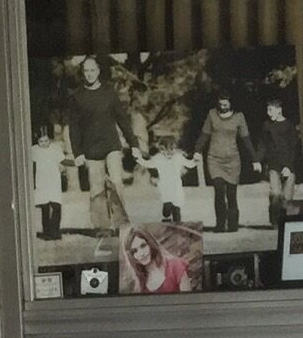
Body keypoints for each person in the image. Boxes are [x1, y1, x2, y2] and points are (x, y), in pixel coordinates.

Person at [62, 55, 136, 229]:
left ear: (98, 71)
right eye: (86, 71)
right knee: (96, 190)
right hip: (90, 149)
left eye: (92, 70)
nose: (89, 74)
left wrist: (134, 144)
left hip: (111, 145)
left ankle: (121, 224)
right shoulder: (77, 96)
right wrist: (78, 153)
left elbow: (122, 119)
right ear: (82, 72)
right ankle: (101, 228)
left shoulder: (109, 92)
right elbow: (74, 128)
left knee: (116, 183)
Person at [192, 91, 253, 233]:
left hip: (233, 160)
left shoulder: (239, 117)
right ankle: (220, 224)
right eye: (220, 104)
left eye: (225, 104)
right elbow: (204, 134)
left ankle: (232, 225)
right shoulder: (212, 114)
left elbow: (246, 140)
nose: (222, 106)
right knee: (219, 191)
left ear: (231, 103)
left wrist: (255, 159)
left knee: (231, 194)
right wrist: (197, 150)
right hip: (214, 159)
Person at [260, 97, 303, 212]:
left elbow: (294, 148)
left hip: (289, 165)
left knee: (287, 198)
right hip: (273, 165)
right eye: (267, 110)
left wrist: (289, 167)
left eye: (271, 110)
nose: (268, 113)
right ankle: (275, 219)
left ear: (279, 110)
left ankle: (286, 221)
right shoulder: (267, 125)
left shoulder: (289, 126)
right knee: (275, 194)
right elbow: (263, 145)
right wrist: (257, 160)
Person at [120, 225, 192, 294]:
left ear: (150, 244)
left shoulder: (175, 266)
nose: (141, 254)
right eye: (134, 251)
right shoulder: (140, 286)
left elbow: (188, 302)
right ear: (131, 256)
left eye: (143, 246)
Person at [31, 123, 66, 241]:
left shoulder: (55, 149)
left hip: (54, 181)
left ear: (49, 140)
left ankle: (55, 231)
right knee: (44, 207)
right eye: (41, 142)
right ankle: (47, 232)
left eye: (46, 141)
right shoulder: (34, 150)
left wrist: (74, 163)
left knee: (56, 206)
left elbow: (63, 160)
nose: (44, 144)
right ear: (37, 141)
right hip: (41, 182)